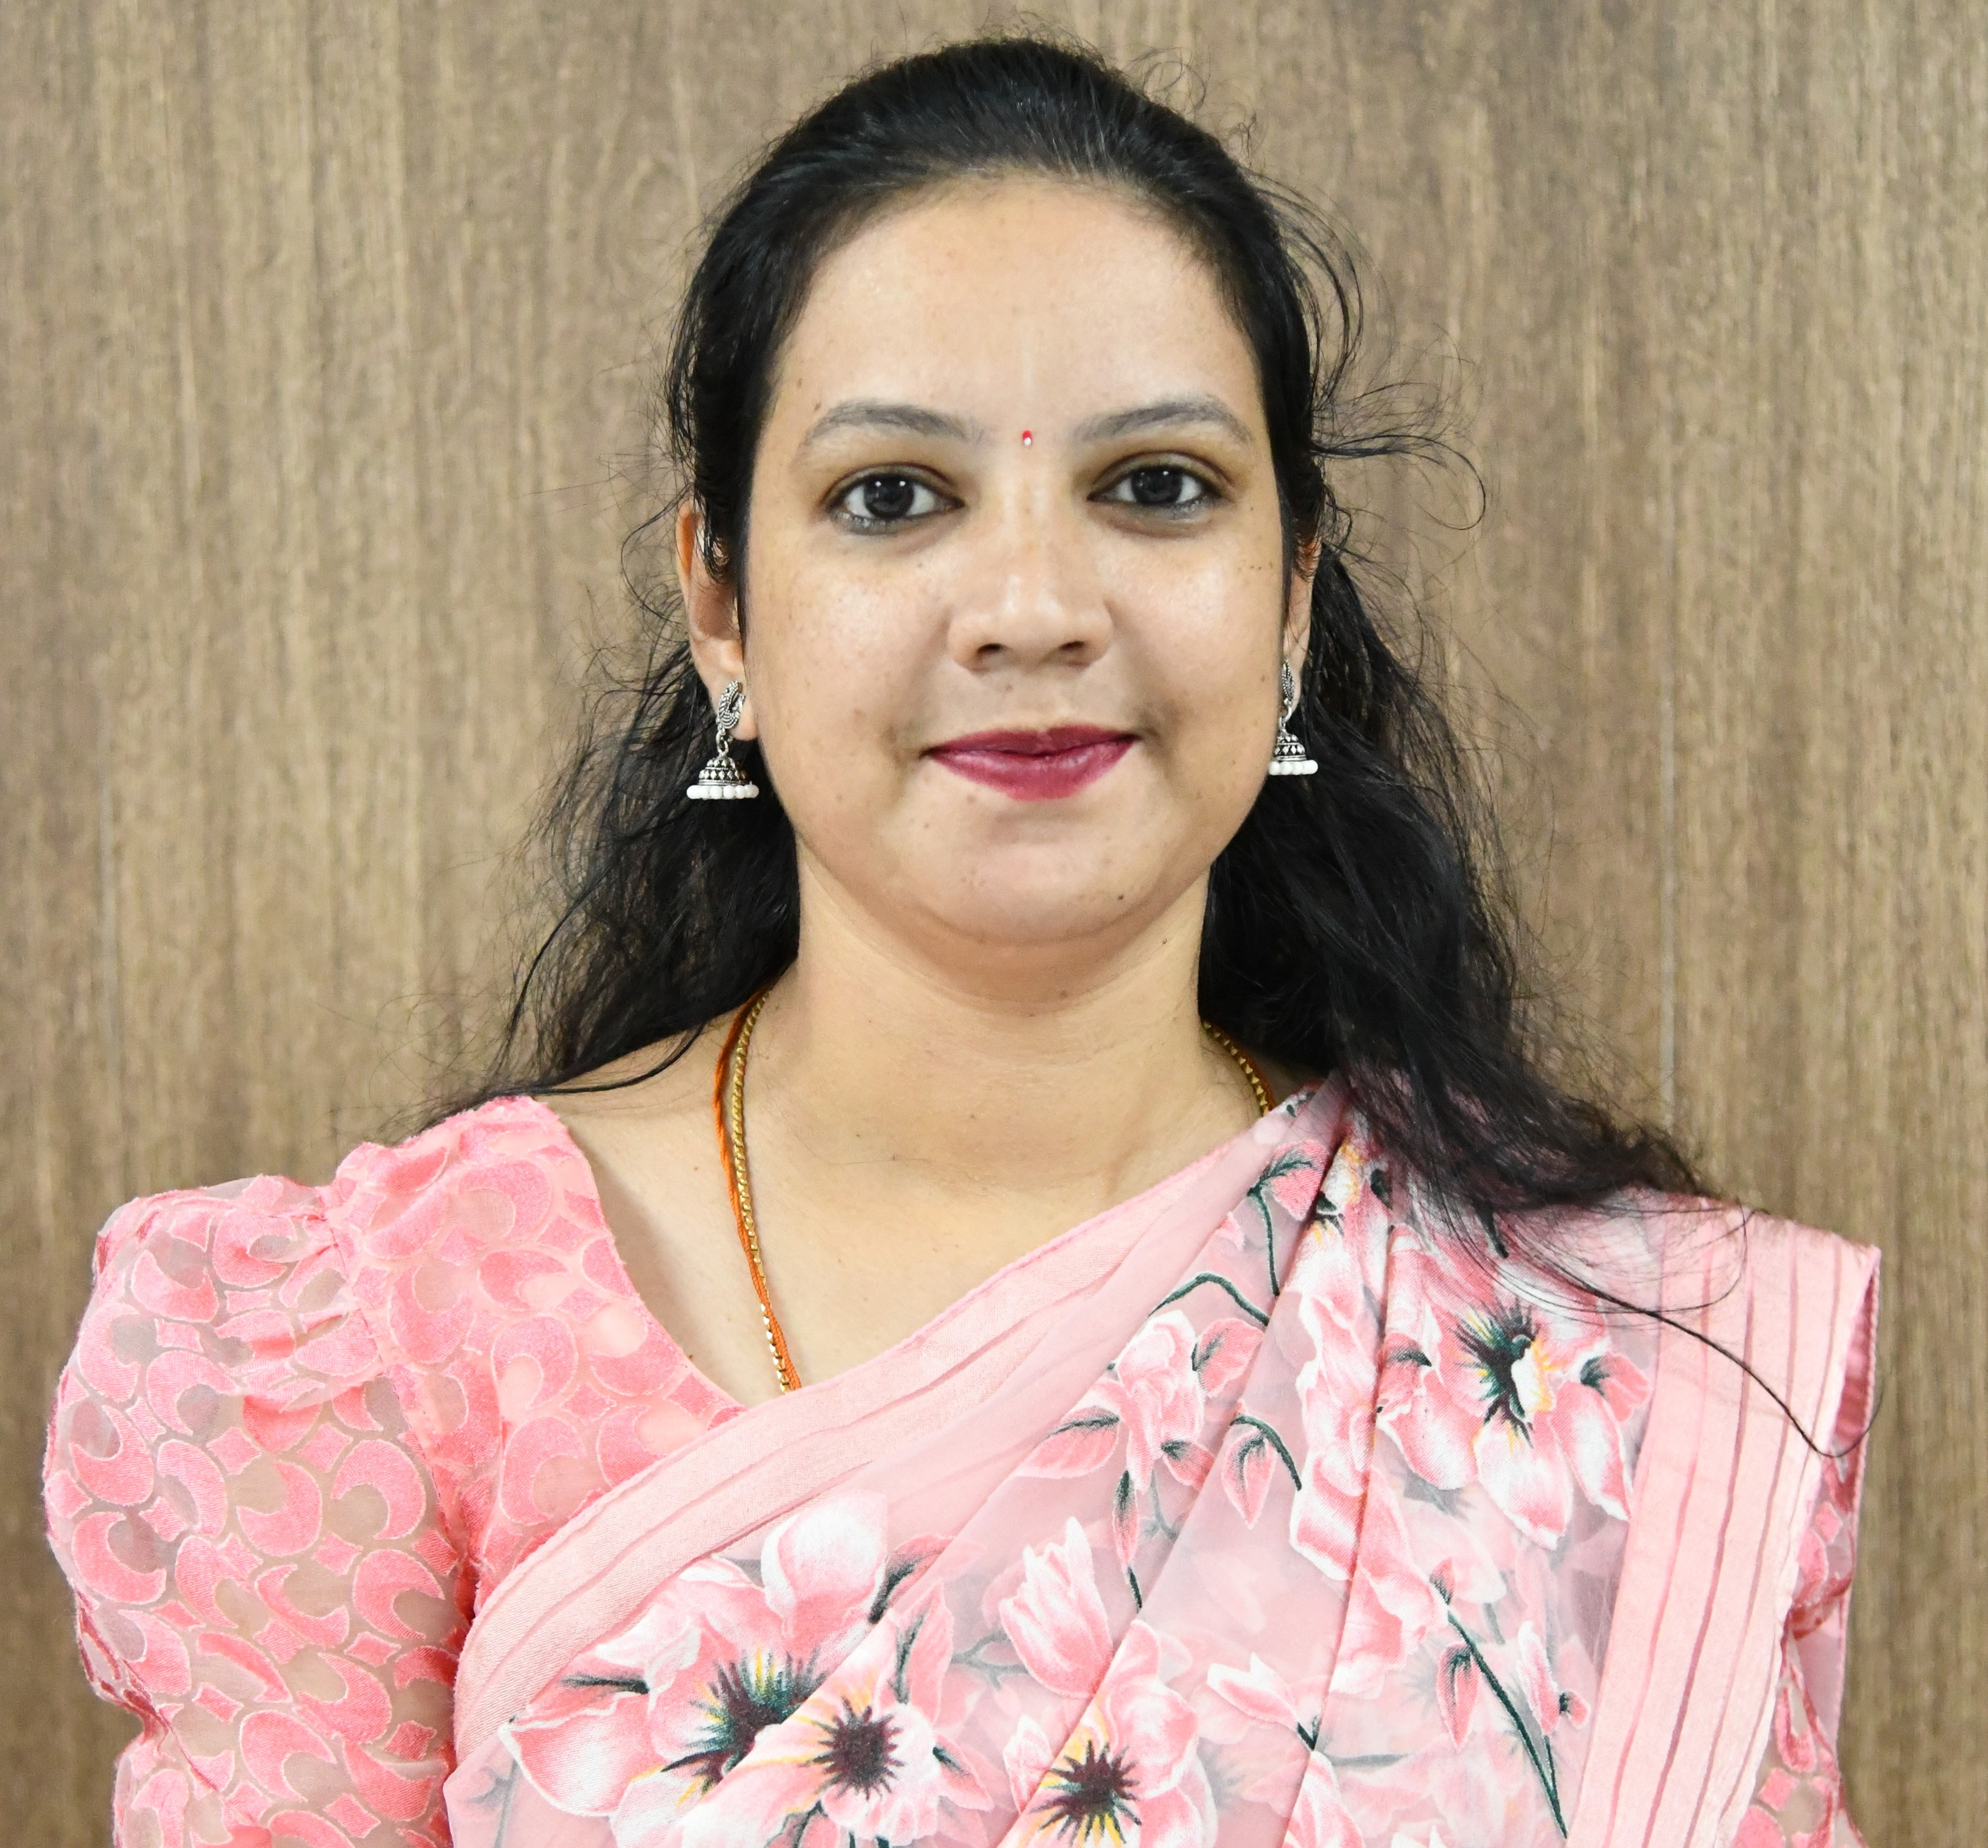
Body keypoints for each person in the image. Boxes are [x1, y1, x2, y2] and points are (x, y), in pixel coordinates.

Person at [44, 35, 1876, 1848]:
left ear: (1294, 596)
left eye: (1155, 484)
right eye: (892, 498)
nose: (1030, 607)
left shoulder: (1599, 1362)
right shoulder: (393, 1344)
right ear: (720, 603)